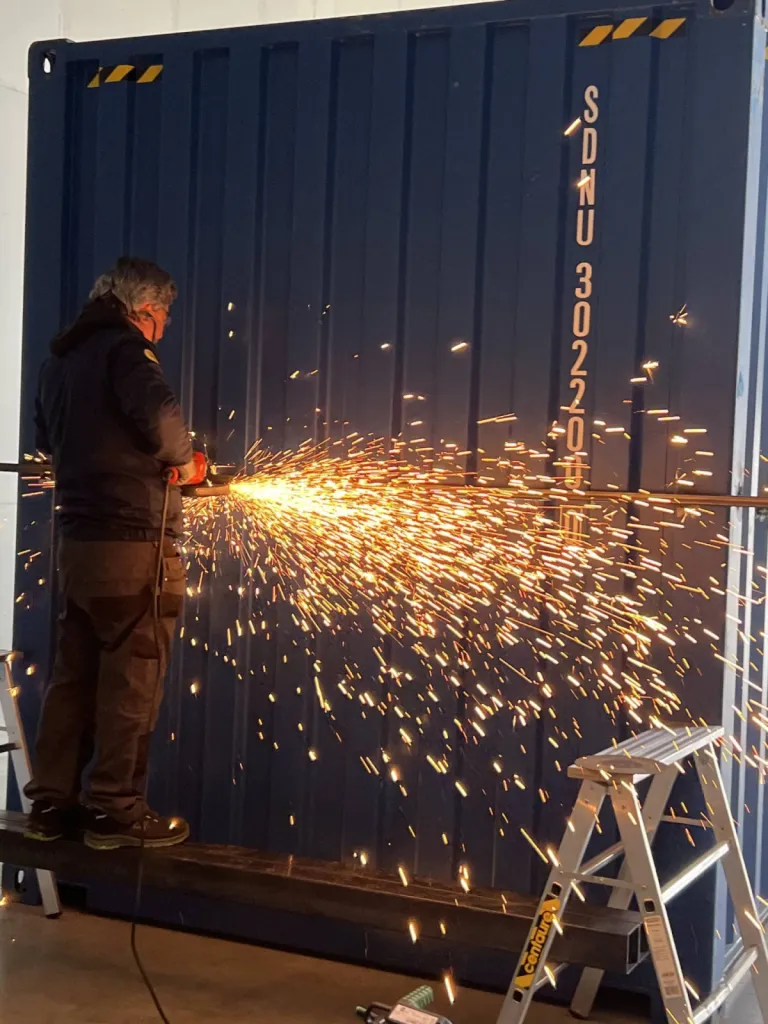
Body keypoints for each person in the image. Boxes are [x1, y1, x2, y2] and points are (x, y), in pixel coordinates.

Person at [24, 257, 200, 850]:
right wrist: (182, 462)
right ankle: (114, 811)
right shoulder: (127, 352)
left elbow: (47, 442)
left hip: (77, 548)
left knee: (73, 676)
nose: (165, 326)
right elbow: (164, 425)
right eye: (164, 315)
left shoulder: (58, 361)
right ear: (143, 310)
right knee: (133, 678)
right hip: (133, 547)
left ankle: (51, 804)